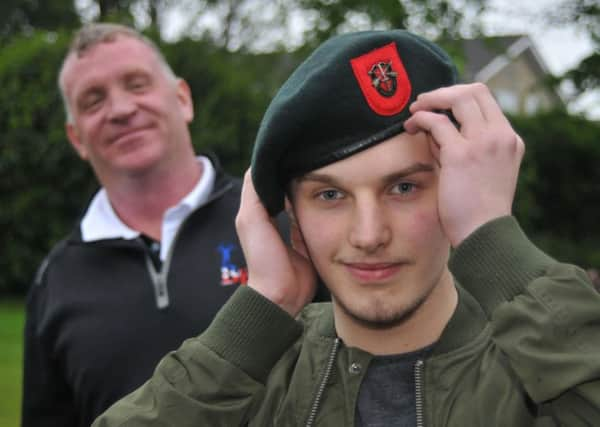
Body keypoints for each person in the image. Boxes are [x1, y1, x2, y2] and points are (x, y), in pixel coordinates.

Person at [93, 29, 600, 426]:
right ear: (291, 221)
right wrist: (260, 308)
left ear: (458, 190)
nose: (368, 234)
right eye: (330, 195)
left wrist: (491, 236)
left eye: (404, 187)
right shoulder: (251, 381)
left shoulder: (538, 363)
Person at [21, 23, 328, 427]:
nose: (121, 110)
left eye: (137, 84)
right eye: (93, 101)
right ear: (76, 137)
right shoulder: (55, 281)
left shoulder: (282, 220)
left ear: (182, 99)